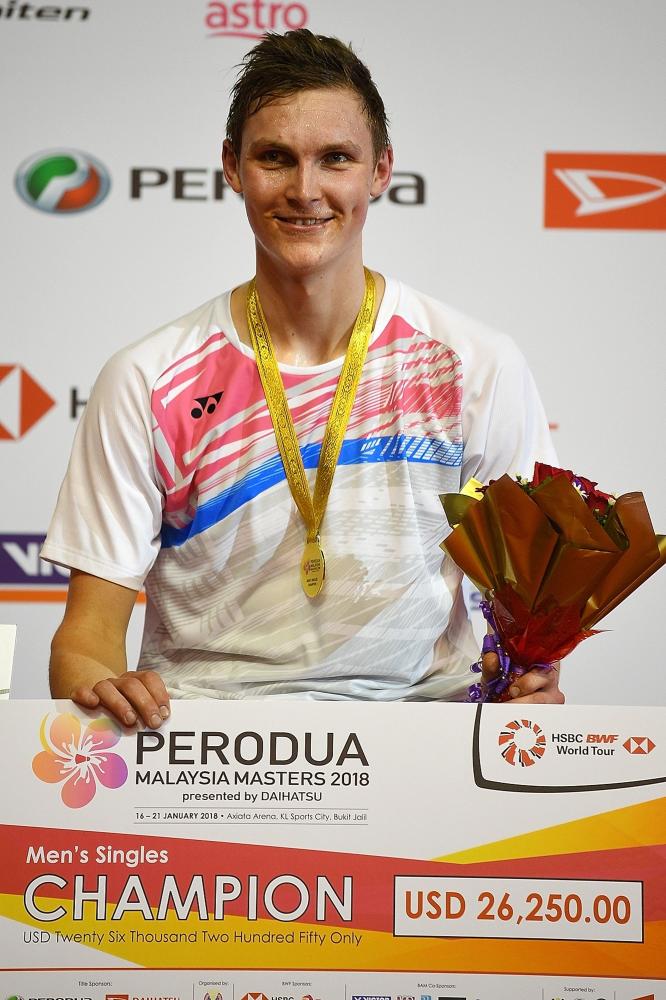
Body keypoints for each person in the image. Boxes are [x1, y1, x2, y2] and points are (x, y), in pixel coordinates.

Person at [42, 29, 563, 729]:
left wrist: (531, 684)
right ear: (232, 167)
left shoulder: (473, 364)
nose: (305, 190)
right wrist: (99, 690)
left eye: (336, 159)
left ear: (380, 171)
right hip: (205, 748)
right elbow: (86, 638)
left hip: (421, 738)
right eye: (275, 158)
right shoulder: (147, 378)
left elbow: (533, 608)